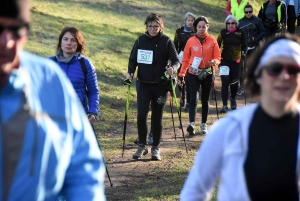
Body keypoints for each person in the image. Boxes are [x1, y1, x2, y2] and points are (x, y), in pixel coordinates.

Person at [0, 0, 106, 200]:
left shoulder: (50, 77)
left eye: (16, 30)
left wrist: (92, 111)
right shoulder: (53, 63)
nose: (7, 41)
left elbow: (83, 169)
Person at [180, 34, 300, 200]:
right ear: (259, 74)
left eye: (294, 70)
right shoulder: (229, 128)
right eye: (275, 69)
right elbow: (193, 191)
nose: (284, 76)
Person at [126, 13, 180, 161]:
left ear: (161, 26)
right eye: (150, 26)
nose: (153, 29)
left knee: (157, 117)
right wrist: (130, 72)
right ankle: (142, 145)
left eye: (156, 26)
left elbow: (176, 61)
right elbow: (132, 59)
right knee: (141, 114)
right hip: (143, 84)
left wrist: (173, 69)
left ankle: (155, 147)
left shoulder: (167, 41)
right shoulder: (140, 40)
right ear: (146, 26)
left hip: (160, 85)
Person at [178, 16, 221, 135]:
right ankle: (191, 124)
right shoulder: (191, 41)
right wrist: (181, 74)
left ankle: (203, 124)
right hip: (193, 73)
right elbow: (186, 59)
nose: (201, 29)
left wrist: (215, 62)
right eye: (199, 27)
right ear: (195, 28)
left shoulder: (212, 41)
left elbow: (218, 57)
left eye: (204, 27)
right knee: (193, 99)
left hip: (207, 72)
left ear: (207, 27)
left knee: (205, 99)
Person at [50, 26, 99, 123]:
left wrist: (93, 112)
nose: (69, 43)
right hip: (53, 116)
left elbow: (93, 91)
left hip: (78, 116)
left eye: (73, 40)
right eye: (65, 39)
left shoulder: (86, 65)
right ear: (60, 42)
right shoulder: (50, 63)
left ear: (78, 44)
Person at [217, 15, 247, 113]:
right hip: (224, 61)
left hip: (236, 61)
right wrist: (217, 58)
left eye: (232, 23)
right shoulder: (222, 32)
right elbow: (217, 45)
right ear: (226, 24)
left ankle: (233, 98)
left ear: (236, 24)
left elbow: (244, 46)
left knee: (234, 84)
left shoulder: (240, 32)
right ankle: (225, 105)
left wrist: (243, 54)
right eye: (228, 23)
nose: (230, 25)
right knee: (225, 82)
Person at [237, 4, 265, 95]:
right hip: (244, 48)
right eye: (246, 12)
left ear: (252, 12)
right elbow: (237, 33)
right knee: (242, 68)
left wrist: (256, 38)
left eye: (250, 12)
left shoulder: (257, 21)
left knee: (254, 67)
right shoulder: (240, 22)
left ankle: (254, 86)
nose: (248, 13)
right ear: (244, 12)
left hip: (254, 47)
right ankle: (241, 87)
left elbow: (263, 32)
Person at [173, 12, 196, 112]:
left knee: (190, 79)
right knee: (181, 78)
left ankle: (189, 103)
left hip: (193, 59)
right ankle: (182, 95)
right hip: (181, 58)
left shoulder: (196, 32)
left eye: (192, 21)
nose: (190, 22)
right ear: (185, 21)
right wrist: (174, 58)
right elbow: (174, 45)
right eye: (188, 20)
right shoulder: (179, 32)